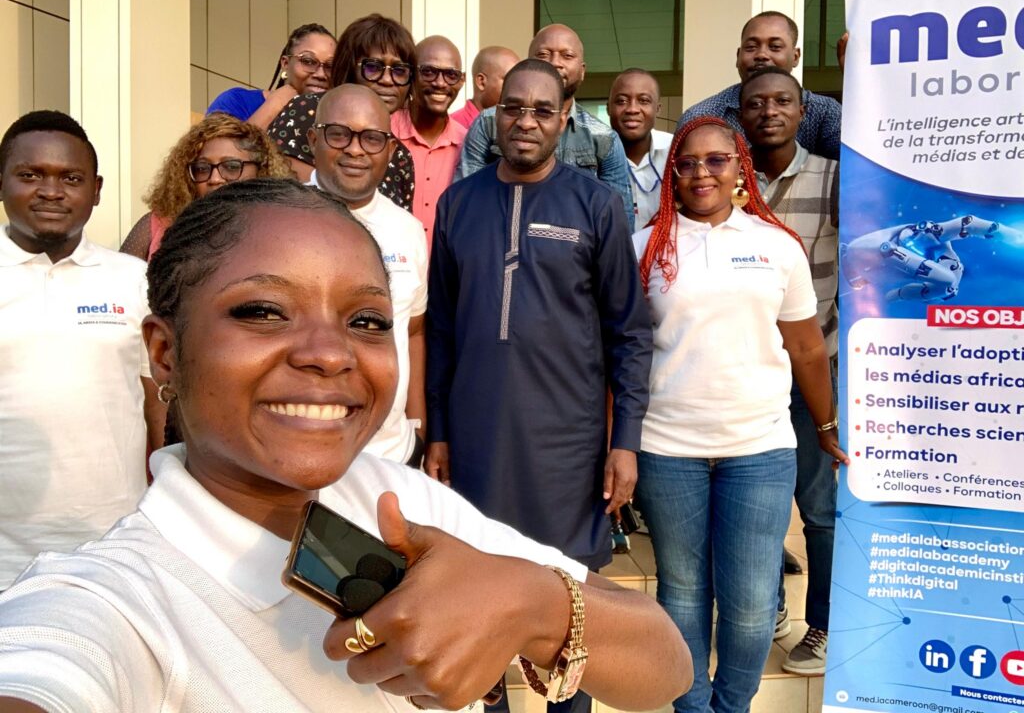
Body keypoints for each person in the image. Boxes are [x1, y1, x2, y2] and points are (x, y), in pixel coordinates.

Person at [0, 178, 692, 712]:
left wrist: (536, 605)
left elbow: (666, 663)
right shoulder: (110, 605)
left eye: (366, 321)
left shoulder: (393, 498)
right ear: (165, 353)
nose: (331, 354)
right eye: (263, 311)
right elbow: (48, 668)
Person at [426, 61, 652, 711]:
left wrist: (625, 441)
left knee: (568, 613)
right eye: (513, 108)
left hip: (566, 450)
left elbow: (629, 332)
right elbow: (441, 328)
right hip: (475, 443)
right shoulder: (459, 204)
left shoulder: (595, 205)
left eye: (542, 110)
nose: (525, 121)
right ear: (495, 114)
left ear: (564, 118)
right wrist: (438, 432)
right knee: (479, 598)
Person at [632, 116, 847, 713]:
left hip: (760, 447)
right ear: (673, 175)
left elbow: (806, 348)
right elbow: (623, 351)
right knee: (682, 591)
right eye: (686, 163)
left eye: (715, 160)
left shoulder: (776, 245)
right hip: (667, 447)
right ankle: (691, 706)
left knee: (752, 603)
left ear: (739, 169)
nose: (700, 172)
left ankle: (732, 706)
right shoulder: (643, 247)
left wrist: (826, 427)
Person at [0, 110, 162, 590]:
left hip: (113, 543)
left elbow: (154, 398)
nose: (51, 191)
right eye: (30, 175)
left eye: (71, 178)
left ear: (96, 189)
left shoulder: (134, 280)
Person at [739, 66, 839, 676]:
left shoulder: (832, 177)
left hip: (813, 369)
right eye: (757, 103)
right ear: (741, 113)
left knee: (820, 509)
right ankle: (771, 605)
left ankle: (823, 624)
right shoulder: (727, 177)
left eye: (782, 102)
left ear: (802, 112)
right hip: (750, 376)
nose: (769, 111)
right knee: (762, 505)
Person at [308, 85, 427, 467]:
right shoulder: (276, 222)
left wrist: (418, 426)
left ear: (390, 151)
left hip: (392, 454)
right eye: (338, 134)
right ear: (313, 140)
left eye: (372, 138)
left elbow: (413, 331)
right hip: (303, 452)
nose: (355, 150)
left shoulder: (408, 231)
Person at [455, 24, 635, 230]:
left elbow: (620, 223)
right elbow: (465, 202)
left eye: (567, 55)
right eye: (543, 54)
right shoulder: (489, 123)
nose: (555, 62)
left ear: (582, 71)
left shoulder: (604, 139)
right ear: (527, 64)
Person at [267, 14, 416, 203]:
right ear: (348, 68)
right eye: (373, 68)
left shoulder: (401, 156)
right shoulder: (307, 111)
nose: (387, 80)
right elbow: (277, 185)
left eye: (400, 71)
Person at [119, 113, 291, 261]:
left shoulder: (279, 231)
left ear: (261, 171)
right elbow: (118, 282)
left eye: (231, 167)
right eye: (202, 168)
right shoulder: (158, 224)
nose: (215, 179)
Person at [676, 11, 842, 161]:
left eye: (775, 47)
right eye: (751, 47)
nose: (762, 55)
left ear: (795, 56)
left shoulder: (826, 113)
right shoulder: (699, 117)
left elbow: (852, 172)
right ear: (738, 56)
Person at [390, 36, 467, 245]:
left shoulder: (467, 146)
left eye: (451, 75)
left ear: (461, 81)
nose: (440, 83)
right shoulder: (384, 133)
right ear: (411, 75)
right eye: (429, 72)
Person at [207, 23, 335, 127]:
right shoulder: (237, 101)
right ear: (285, 63)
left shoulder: (334, 118)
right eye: (308, 61)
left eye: (330, 66)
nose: (321, 74)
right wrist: (274, 105)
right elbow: (217, 149)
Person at [608, 68, 672, 229]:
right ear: (608, 108)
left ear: (658, 108)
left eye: (643, 101)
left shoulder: (676, 150)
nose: (632, 109)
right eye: (621, 101)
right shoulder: (593, 155)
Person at [450, 45, 519, 129]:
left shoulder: (518, 125)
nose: (518, 88)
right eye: (509, 80)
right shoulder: (455, 128)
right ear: (481, 82)